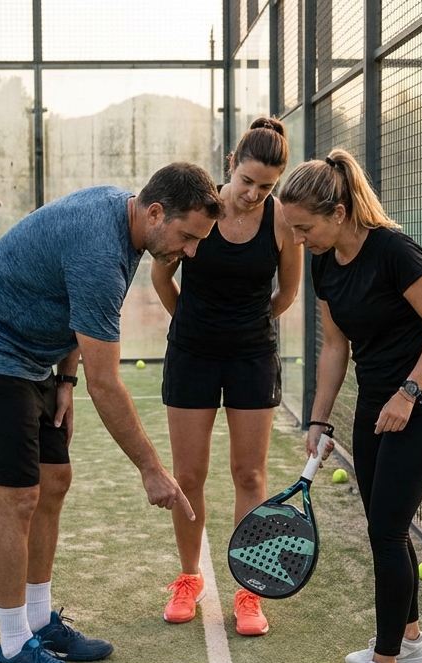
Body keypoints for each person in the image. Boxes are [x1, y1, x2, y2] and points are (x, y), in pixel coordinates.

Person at [0, 163, 224, 663]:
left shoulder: (129, 223)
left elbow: (78, 318)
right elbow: (108, 383)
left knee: (55, 480)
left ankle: (41, 621)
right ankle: (14, 650)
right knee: (18, 496)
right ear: (156, 212)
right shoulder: (101, 248)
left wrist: (63, 378)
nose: (190, 253)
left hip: (33, 359)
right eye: (187, 237)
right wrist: (153, 471)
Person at [277, 149, 422, 663]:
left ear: (336, 211)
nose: (299, 239)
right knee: (387, 524)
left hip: (420, 404)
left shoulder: (394, 251)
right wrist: (318, 417)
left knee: (384, 531)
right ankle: (410, 640)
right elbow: (336, 346)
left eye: (305, 228)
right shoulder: (326, 261)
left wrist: (408, 393)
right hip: (375, 407)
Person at [151, 117, 302, 636]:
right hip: (192, 354)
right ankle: (189, 577)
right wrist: (191, 323)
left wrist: (248, 328)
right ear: (230, 166)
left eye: (267, 186)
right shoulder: (203, 209)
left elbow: (287, 293)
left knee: (249, 476)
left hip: (252, 358)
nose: (254, 193)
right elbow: (160, 273)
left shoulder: (281, 220)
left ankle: (248, 587)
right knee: (187, 476)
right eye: (247, 181)